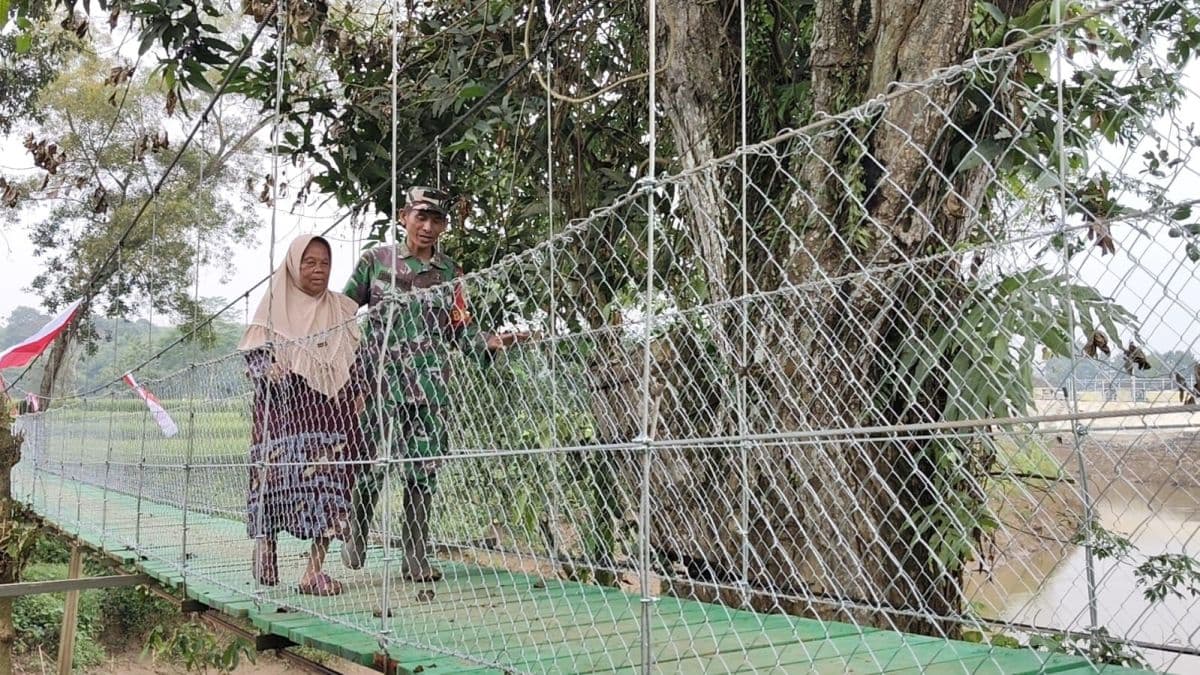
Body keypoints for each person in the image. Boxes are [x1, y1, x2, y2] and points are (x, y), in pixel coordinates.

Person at [341, 186, 525, 581]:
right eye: (420, 217)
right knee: (370, 462)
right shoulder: (376, 261)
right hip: (378, 381)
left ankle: (416, 556)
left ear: (444, 225)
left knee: (423, 469)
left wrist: (489, 341)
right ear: (403, 217)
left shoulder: (450, 273)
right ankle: (356, 530)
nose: (427, 227)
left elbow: (460, 326)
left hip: (430, 386)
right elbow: (340, 312)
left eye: (436, 220)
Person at [239, 234, 362, 596]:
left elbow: (357, 353)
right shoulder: (273, 306)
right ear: (294, 265)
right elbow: (252, 355)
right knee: (272, 480)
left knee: (333, 484)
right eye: (309, 262)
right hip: (281, 411)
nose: (318, 270)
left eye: (324, 263)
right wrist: (267, 367)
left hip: (330, 413)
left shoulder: (341, 309)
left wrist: (360, 391)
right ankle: (266, 550)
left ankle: (312, 572)